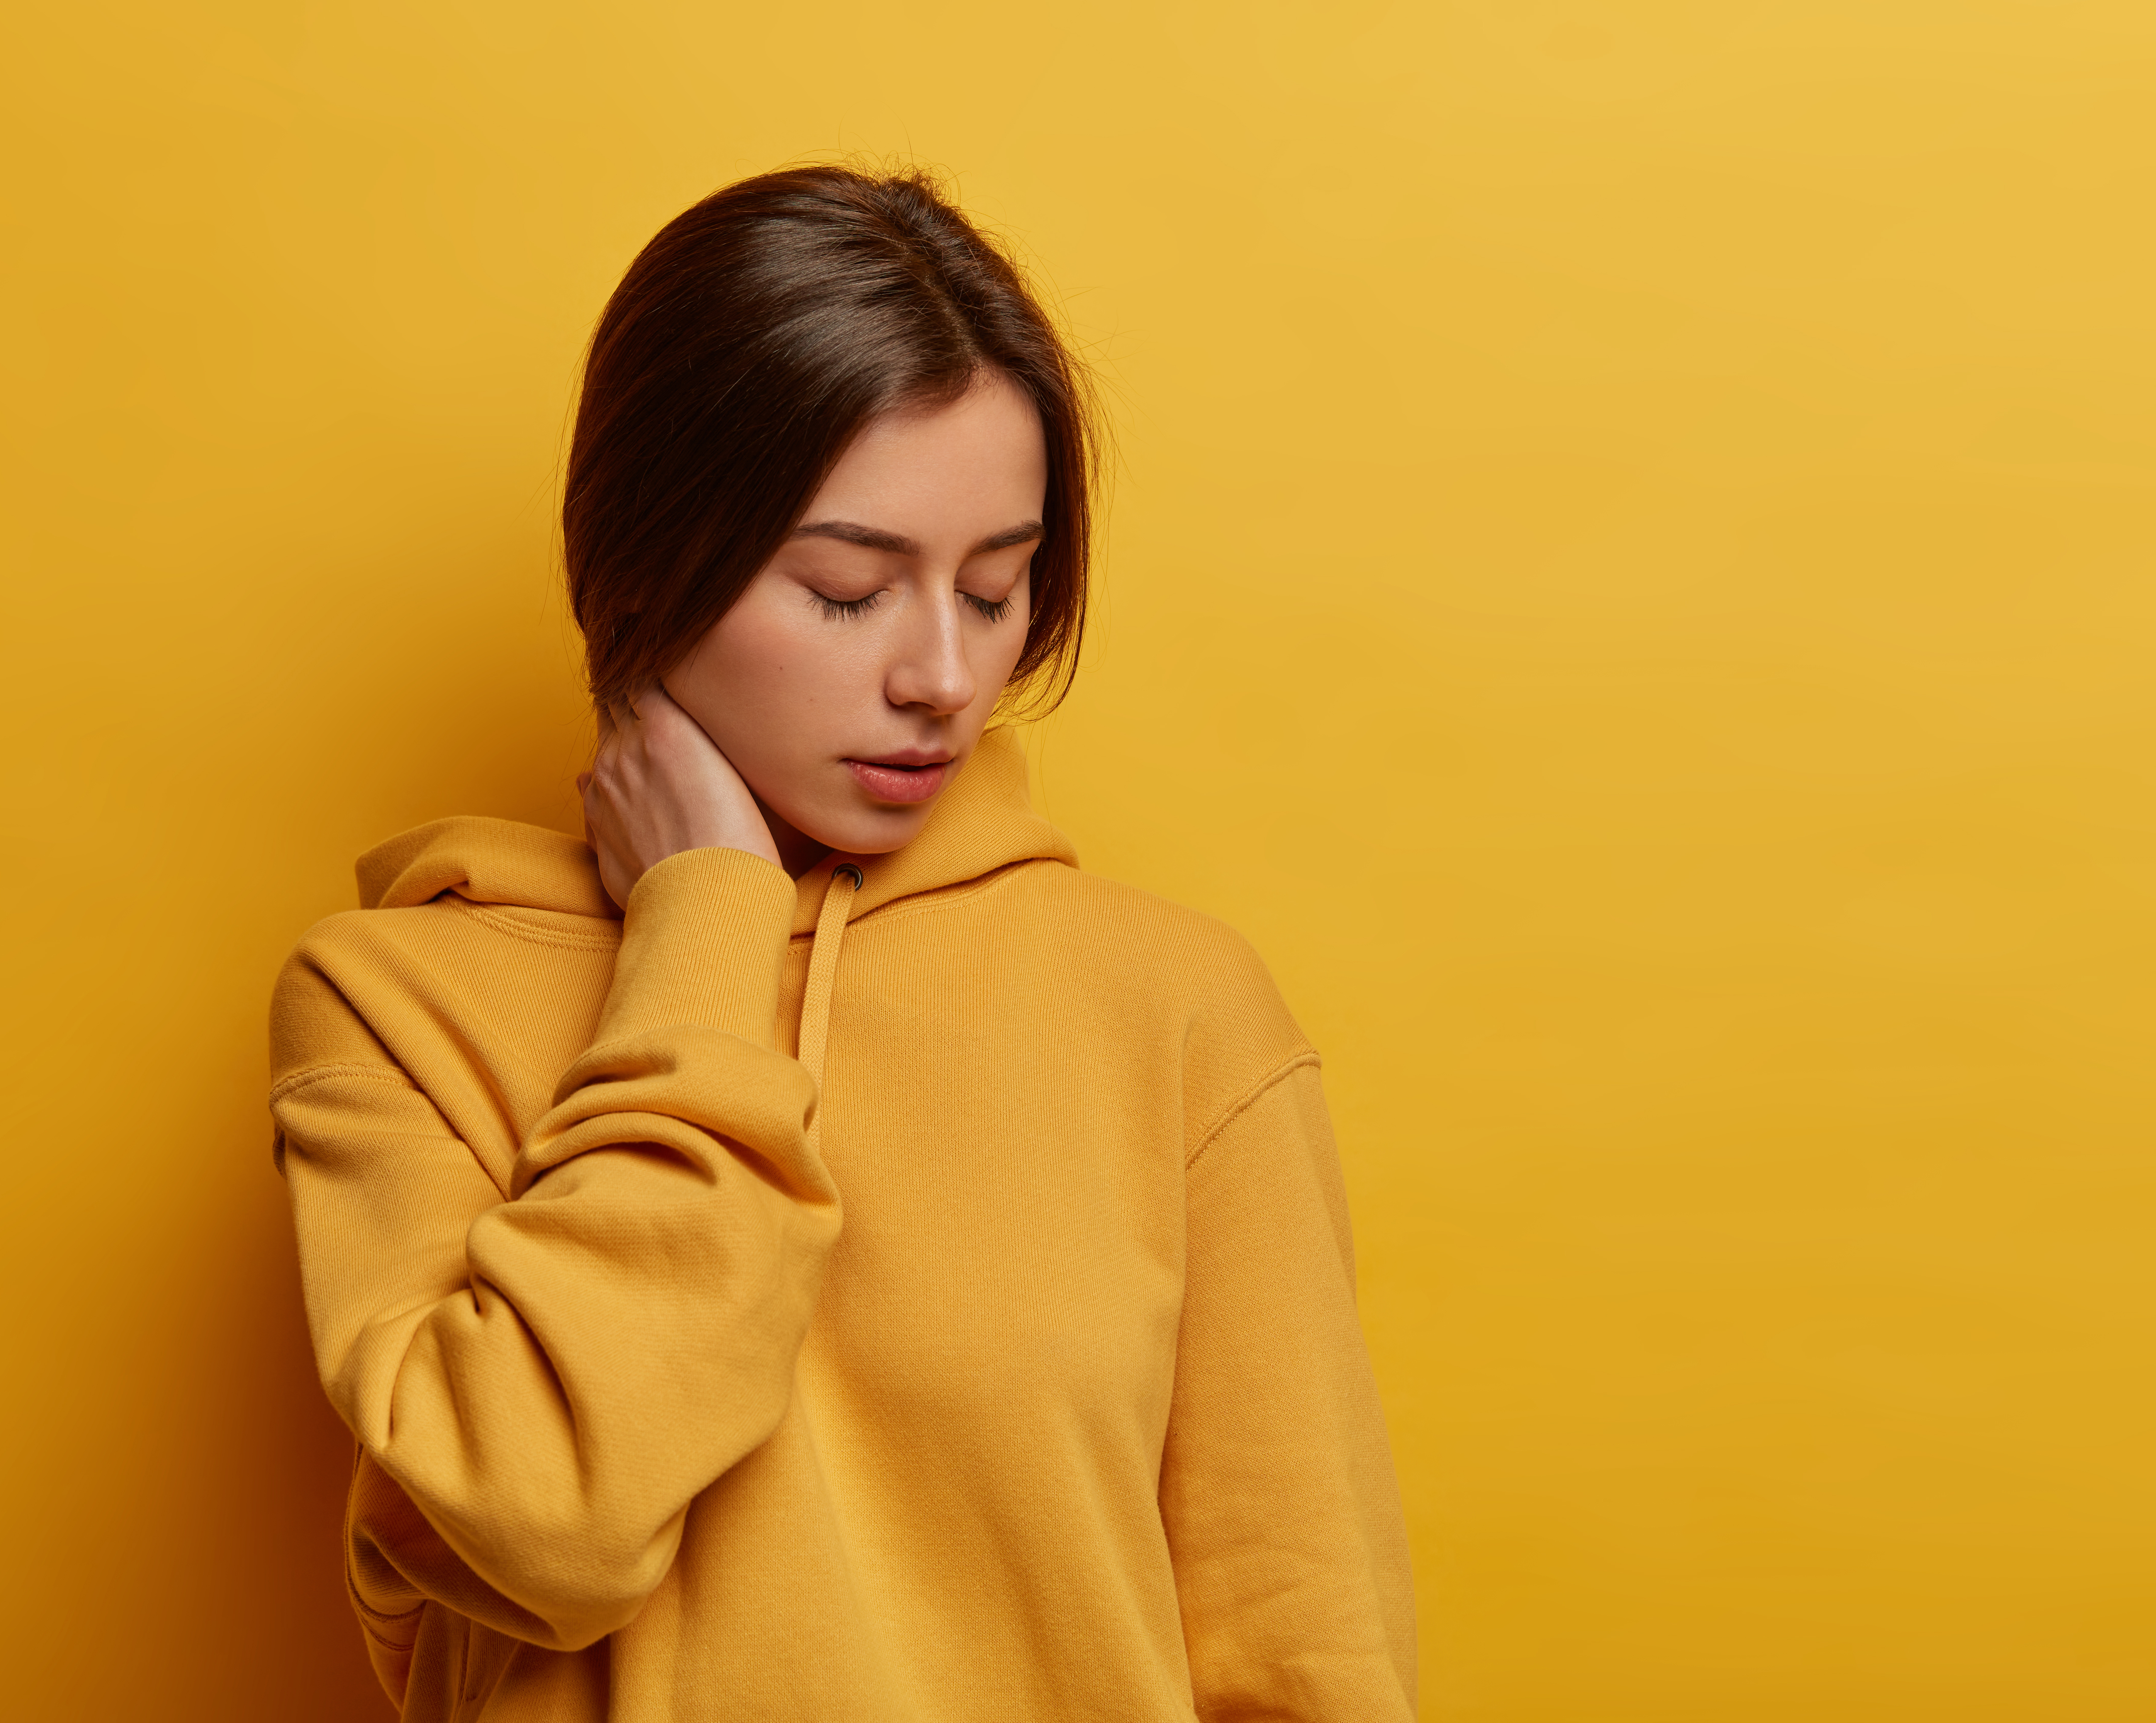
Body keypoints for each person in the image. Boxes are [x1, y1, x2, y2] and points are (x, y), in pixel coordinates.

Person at [268, 165, 1416, 1723]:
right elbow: (547, 1520)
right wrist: (706, 930)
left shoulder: (1174, 1014)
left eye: (998, 588)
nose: (944, 673)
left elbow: (1307, 1656)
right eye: (849, 590)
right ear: (647, 564)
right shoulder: (401, 1003)